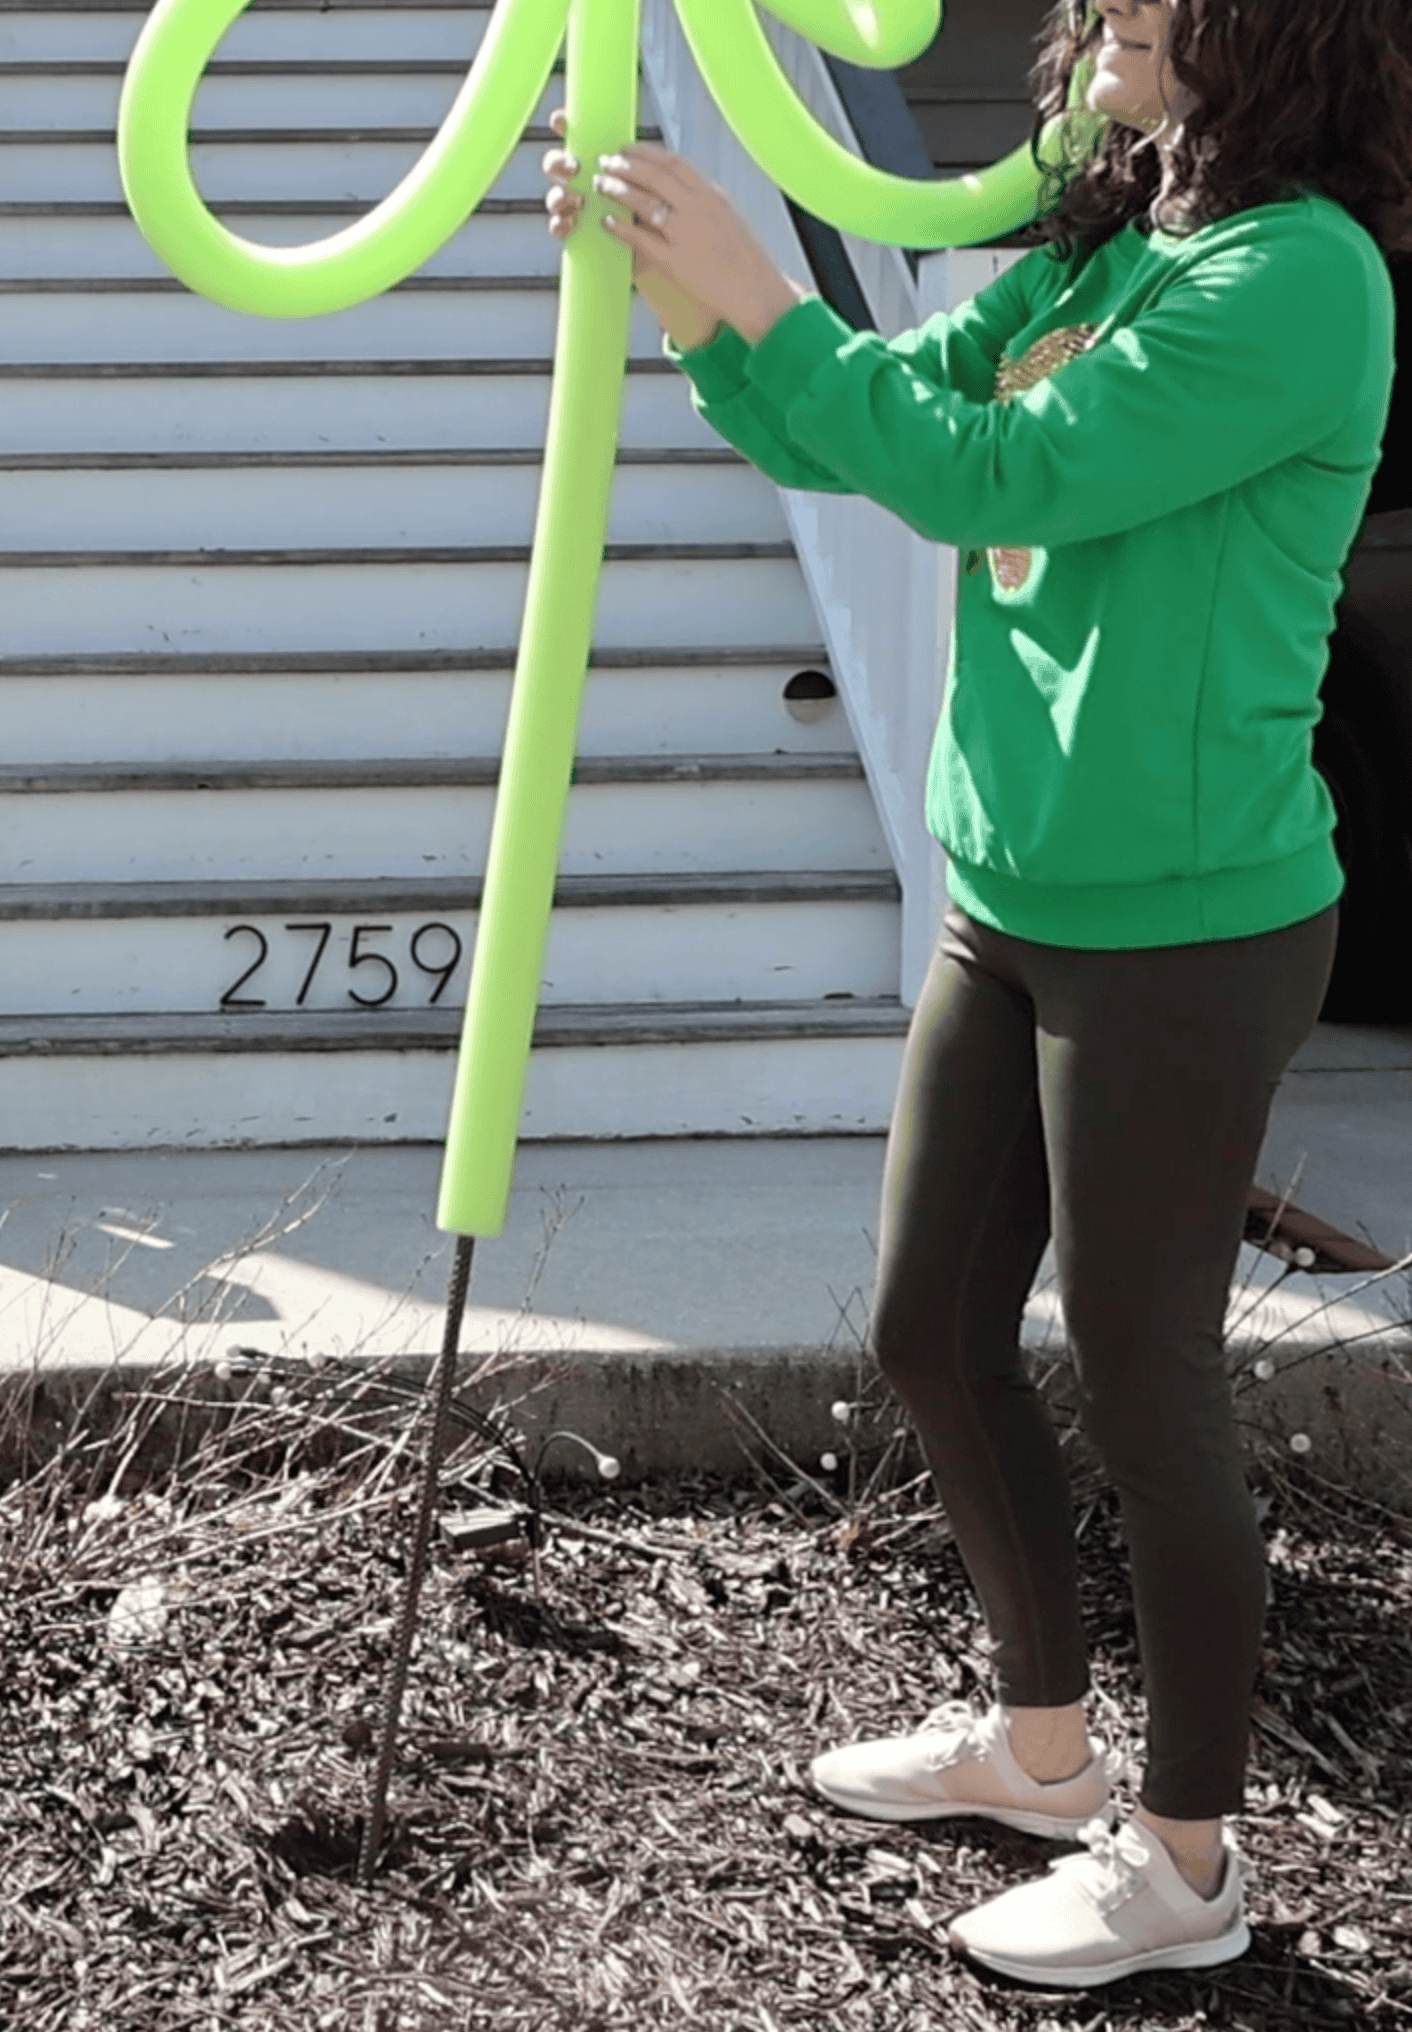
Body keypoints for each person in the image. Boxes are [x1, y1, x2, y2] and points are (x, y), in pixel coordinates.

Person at [543, 0, 1412, 1989]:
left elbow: (980, 461)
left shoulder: (1299, 278)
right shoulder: (1112, 237)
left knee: (1141, 1369)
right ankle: (1037, 1749)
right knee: (929, 1321)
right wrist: (694, 300)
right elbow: (865, 410)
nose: (1090, 7)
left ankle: (1183, 1856)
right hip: (1012, 893)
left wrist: (753, 277)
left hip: (1186, 927)